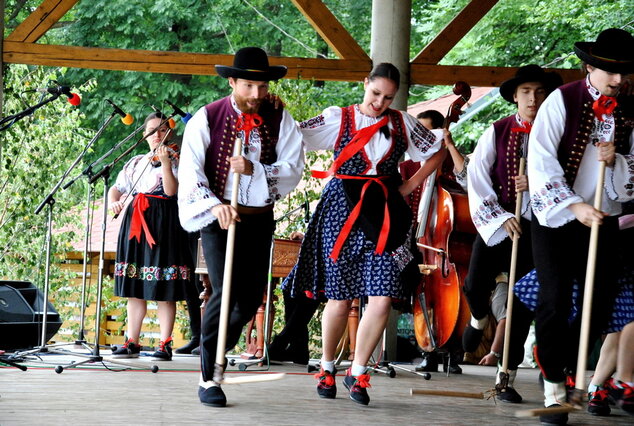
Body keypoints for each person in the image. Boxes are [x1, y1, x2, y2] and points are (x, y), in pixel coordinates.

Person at [282, 63, 445, 406]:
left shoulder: (403, 123)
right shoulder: (337, 118)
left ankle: (358, 374)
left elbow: (436, 149)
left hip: (386, 209)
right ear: (365, 83)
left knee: (382, 296)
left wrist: (411, 184)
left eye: (387, 97)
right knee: (340, 297)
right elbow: (294, 135)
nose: (379, 102)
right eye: (375, 93)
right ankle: (327, 368)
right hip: (342, 208)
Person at [177, 47, 304, 408]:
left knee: (248, 300)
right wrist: (214, 205)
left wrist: (255, 170)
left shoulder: (280, 118)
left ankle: (219, 345)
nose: (256, 95)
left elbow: (293, 167)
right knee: (225, 290)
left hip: (259, 217)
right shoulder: (208, 118)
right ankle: (209, 375)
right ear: (232, 82)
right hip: (219, 217)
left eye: (262, 87)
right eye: (248, 86)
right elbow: (190, 172)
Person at [527, 28, 633, 425]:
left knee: (599, 306)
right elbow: (540, 161)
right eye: (611, 73)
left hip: (603, 216)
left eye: (625, 73)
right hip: (555, 216)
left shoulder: (629, 109)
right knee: (554, 300)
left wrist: (618, 158)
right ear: (590, 67)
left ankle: (562, 362)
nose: (620, 81)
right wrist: (574, 206)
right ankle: (555, 389)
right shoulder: (562, 100)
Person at [462, 65, 562, 403]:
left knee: (520, 304)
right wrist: (501, 216)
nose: (533, 98)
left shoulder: (559, 132)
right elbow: (476, 178)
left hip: (539, 227)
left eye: (539, 92)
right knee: (475, 284)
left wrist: (535, 188)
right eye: (526, 92)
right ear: (515, 97)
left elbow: (571, 180)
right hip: (500, 221)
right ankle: (477, 319)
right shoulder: (498, 131)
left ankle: (506, 375)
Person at [109, 112, 192, 361]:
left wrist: (166, 164)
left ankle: (164, 343)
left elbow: (170, 191)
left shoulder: (178, 161)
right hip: (136, 222)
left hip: (164, 224)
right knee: (135, 286)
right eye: (152, 130)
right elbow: (117, 187)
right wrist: (114, 201)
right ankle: (132, 340)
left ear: (169, 133)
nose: (157, 134)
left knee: (164, 287)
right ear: (144, 134)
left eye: (162, 130)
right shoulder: (135, 162)